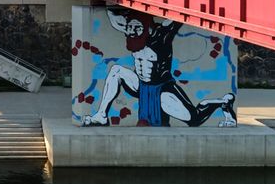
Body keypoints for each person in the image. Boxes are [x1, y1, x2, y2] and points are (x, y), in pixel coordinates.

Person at [86, 8, 236, 127]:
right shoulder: (132, 34)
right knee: (116, 71)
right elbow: (112, 16)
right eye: (130, 27)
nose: (132, 31)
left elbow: (176, 18)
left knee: (194, 119)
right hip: (141, 85)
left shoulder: (161, 35)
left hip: (162, 87)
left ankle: (223, 102)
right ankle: (101, 115)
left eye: (137, 28)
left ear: (147, 28)